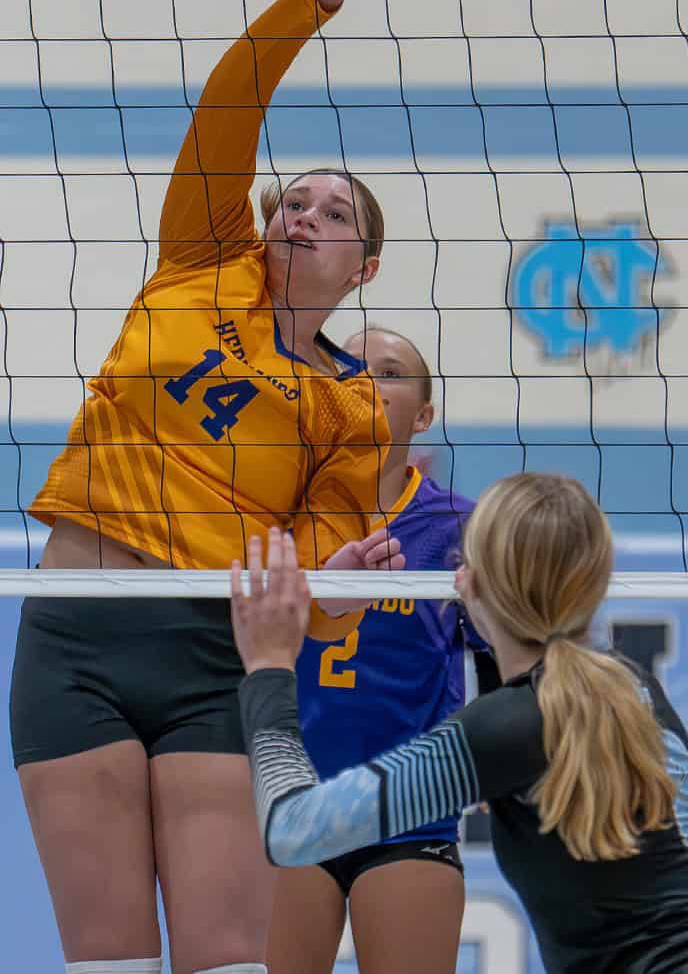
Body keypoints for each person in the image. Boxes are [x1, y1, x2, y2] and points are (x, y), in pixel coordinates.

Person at [9, 0, 405, 974]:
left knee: (224, 958)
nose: (300, 213)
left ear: (361, 268)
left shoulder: (350, 407)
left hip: (205, 653)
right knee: (105, 958)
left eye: (333, 213)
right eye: (293, 199)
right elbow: (229, 108)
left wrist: (341, 586)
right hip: (76, 631)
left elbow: (310, 587)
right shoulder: (200, 262)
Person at [232, 473, 688, 974]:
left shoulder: (501, 730)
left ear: (470, 581)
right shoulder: (634, 690)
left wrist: (270, 665)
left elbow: (293, 831)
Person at [268, 326, 490, 974]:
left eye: (389, 371)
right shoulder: (276, 511)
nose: (367, 379)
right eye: (352, 368)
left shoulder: (461, 526)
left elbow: (504, 660)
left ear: (424, 414)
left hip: (407, 811)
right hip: (292, 805)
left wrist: (498, 756)